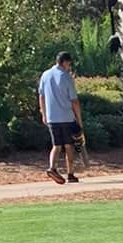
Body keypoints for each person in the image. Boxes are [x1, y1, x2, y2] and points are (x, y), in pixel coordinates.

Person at [38, 50, 84, 185]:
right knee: (69, 145)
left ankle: (52, 167)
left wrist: (44, 114)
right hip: (66, 116)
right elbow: (74, 100)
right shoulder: (66, 77)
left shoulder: (45, 75)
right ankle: (70, 173)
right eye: (69, 64)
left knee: (56, 145)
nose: (69, 67)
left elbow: (41, 96)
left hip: (52, 117)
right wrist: (79, 119)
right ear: (64, 62)